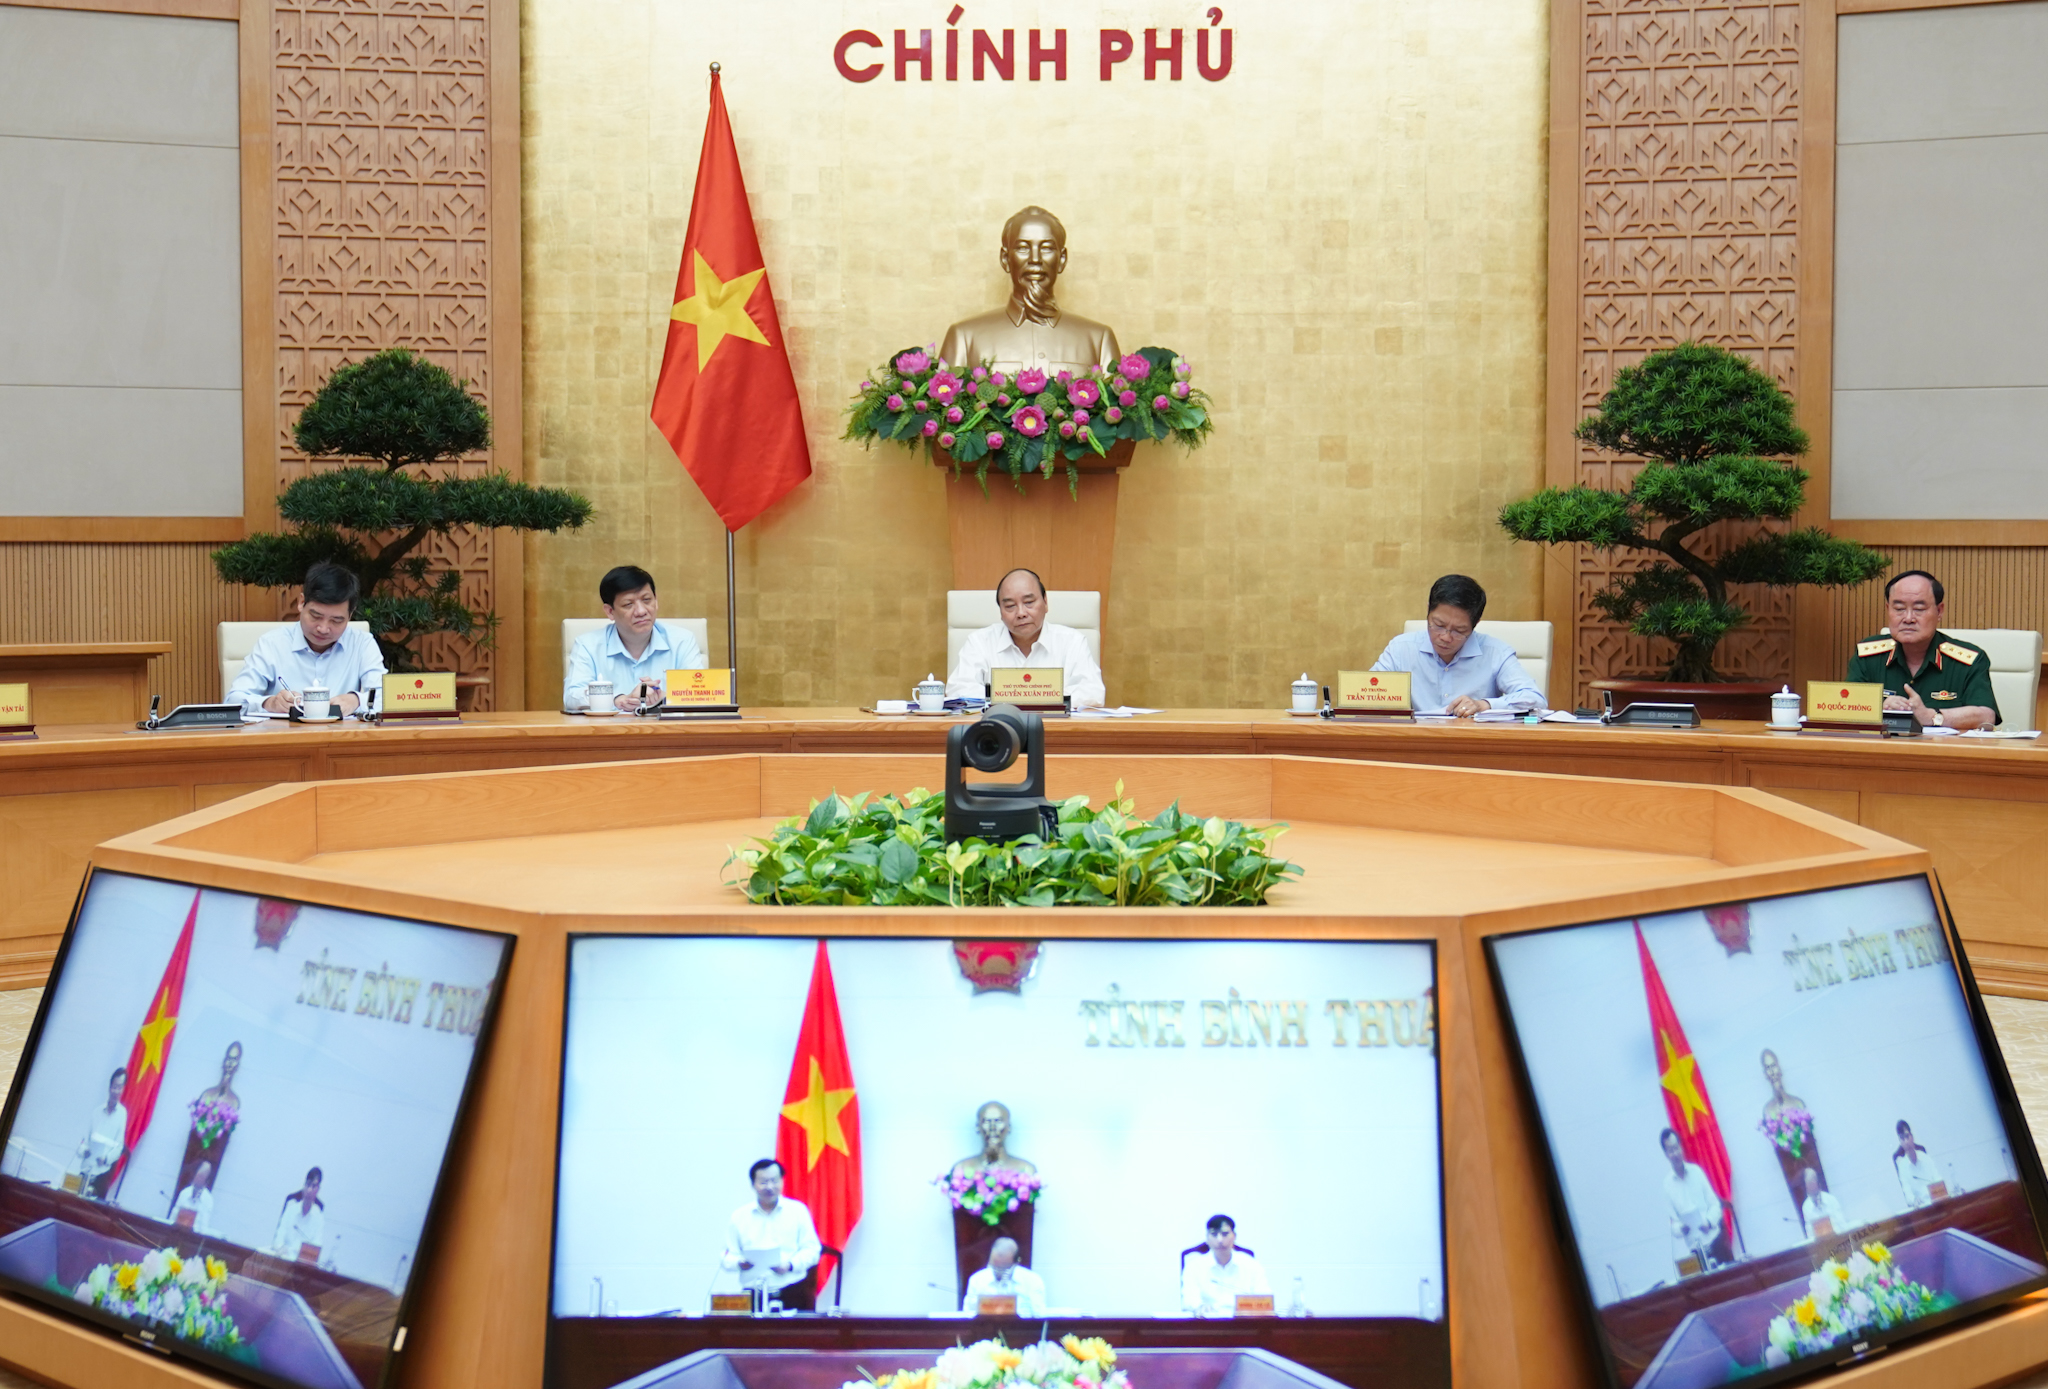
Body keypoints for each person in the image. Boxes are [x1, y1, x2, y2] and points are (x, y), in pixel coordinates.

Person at [938, 206, 1120, 376]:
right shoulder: (964, 338)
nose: (1035, 259)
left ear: (1062, 259)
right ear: (1005, 259)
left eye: (1046, 248)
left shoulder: (1098, 340)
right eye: (1023, 248)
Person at [1368, 574, 1544, 716]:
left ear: (1475, 624)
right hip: (1415, 741)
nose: (1445, 637)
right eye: (1438, 625)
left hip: (1473, 742)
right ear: (1428, 610)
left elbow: (1535, 699)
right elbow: (1367, 696)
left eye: (1459, 631)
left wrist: (1484, 705)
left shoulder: (1496, 653)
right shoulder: (1401, 648)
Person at [226, 562, 386, 716]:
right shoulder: (272, 644)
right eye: (316, 616)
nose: (323, 628)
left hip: (344, 734)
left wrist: (356, 700)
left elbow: (389, 698)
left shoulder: (362, 644)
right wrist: (269, 703)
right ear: (301, 603)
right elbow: (233, 701)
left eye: (336, 621)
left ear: (350, 615)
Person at [1846, 571, 1999, 730]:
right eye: (1899, 608)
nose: (1908, 618)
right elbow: (1846, 707)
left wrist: (1931, 716)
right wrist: (1879, 710)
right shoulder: (1867, 656)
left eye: (1919, 609)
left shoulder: (1969, 660)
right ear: (1888, 609)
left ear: (1939, 611)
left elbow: (1986, 717)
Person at [946, 568, 1105, 710]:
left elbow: (1093, 692)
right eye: (1010, 606)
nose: (1021, 613)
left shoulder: (1072, 641)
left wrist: (1027, 697)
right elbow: (958, 688)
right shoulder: (979, 642)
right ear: (1000, 612)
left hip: (1057, 729)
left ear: (1045, 603)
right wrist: (1023, 697)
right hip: (998, 729)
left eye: (1029, 602)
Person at [561, 565, 707, 711]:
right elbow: (572, 697)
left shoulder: (682, 641)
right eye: (628, 604)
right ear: (610, 611)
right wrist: (618, 699)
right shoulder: (588, 645)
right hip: (610, 726)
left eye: (647, 600)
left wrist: (662, 698)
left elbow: (700, 694)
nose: (641, 611)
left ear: (656, 601)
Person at [720, 1158, 821, 1303]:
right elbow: (727, 1256)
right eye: (763, 1182)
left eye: (774, 1181)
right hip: (753, 1293)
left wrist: (790, 1265)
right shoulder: (739, 1216)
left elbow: (812, 1250)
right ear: (753, 1184)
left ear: (782, 1181)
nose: (770, 1187)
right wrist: (739, 1263)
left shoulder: (798, 1211)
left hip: (793, 1290)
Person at [1759, 1047, 1829, 1234]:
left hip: (1810, 1160)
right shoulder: (1768, 1110)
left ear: (1780, 1068)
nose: (1772, 1072)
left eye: (1774, 1066)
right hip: (1792, 1171)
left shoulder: (1797, 1103)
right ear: (1765, 1074)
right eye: (1768, 1068)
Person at [171, 1042, 242, 1218]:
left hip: (212, 1158)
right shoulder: (208, 1094)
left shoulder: (234, 1101)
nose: (230, 1063)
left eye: (234, 1060)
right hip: (194, 1154)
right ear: (223, 1061)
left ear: (238, 1065)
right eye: (228, 1058)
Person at [1660, 1129, 1724, 1272]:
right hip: (1696, 1250)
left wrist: (1709, 1222)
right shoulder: (1667, 1185)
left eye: (1676, 1148)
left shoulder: (1697, 1172)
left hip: (1715, 1241)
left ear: (1681, 1147)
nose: (1675, 1154)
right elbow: (1673, 1224)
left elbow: (1715, 1205)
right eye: (1671, 1151)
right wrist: (1680, 1228)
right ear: (1666, 1154)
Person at [1181, 1214, 1269, 1318]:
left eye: (1225, 1234)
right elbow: (1188, 1300)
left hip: (1243, 1322)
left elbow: (1265, 1298)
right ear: (1207, 1238)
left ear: (1234, 1236)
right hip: (1208, 1322)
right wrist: (1199, 1306)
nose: (1220, 1240)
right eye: (1214, 1234)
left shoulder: (1251, 1265)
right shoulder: (1194, 1267)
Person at [950, 1100, 1038, 1179]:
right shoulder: (961, 1169)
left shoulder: (1025, 1170)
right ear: (978, 1127)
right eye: (986, 1121)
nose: (992, 1127)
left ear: (1009, 1127)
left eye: (998, 1121)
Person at [962, 1236, 1047, 1315]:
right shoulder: (976, 1280)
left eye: (1004, 1266)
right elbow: (968, 1314)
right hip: (986, 1326)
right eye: (995, 1266)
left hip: (1020, 1326)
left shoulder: (1032, 1280)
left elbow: (1038, 1315)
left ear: (1016, 1262)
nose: (999, 1271)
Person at [79, 1067, 128, 1199]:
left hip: (102, 1173)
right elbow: (83, 1141)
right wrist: (84, 1150)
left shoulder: (122, 1114)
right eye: (114, 1087)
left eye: (119, 1088)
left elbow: (119, 1146)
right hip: (86, 1170)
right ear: (109, 1087)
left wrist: (106, 1159)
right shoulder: (96, 1112)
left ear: (123, 1089)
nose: (116, 1091)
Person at [271, 1167, 326, 1259]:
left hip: (301, 1263)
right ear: (304, 1185)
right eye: (308, 1185)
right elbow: (278, 1238)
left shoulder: (318, 1217)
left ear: (318, 1189)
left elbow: (316, 1246)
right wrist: (280, 1249)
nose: (309, 1190)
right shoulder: (291, 1209)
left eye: (313, 1186)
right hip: (283, 1258)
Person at [1894, 1121, 1945, 1209]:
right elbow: (1907, 1193)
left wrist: (1941, 1191)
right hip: (1921, 1208)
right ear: (1900, 1142)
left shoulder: (1925, 1157)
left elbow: (1937, 1178)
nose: (1906, 1141)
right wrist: (1914, 1200)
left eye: (1907, 1136)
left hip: (1936, 1203)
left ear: (1912, 1137)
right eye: (1902, 1138)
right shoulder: (1902, 1166)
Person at [170, 1160, 218, 1236]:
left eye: (201, 1177)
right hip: (176, 1232)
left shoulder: (208, 1199)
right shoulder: (184, 1192)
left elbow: (203, 1225)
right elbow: (174, 1215)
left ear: (206, 1181)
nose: (197, 1179)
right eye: (197, 1175)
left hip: (193, 1237)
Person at [1800, 1166, 1846, 1239]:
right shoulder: (1806, 1206)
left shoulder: (1831, 1199)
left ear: (1817, 1183)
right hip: (1821, 1243)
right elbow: (1810, 1232)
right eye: (1808, 1186)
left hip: (1838, 1238)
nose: (1810, 1188)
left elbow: (1841, 1223)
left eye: (1812, 1184)